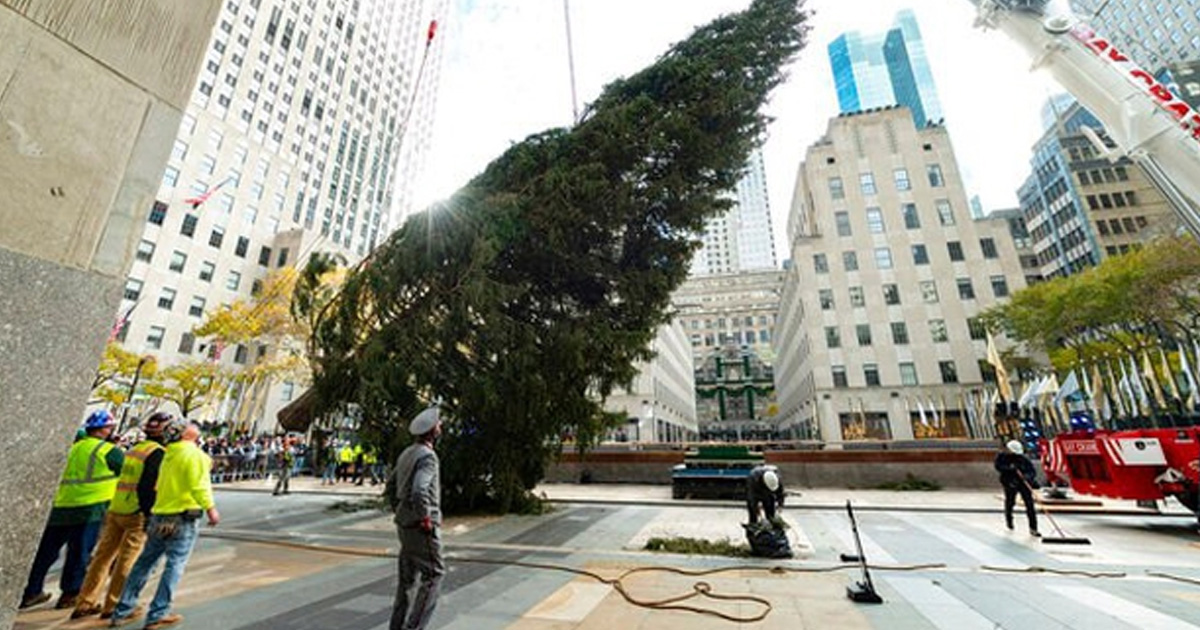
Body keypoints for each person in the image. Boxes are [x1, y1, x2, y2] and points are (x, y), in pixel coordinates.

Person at [109, 421, 220, 629]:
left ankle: (122, 609)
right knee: (174, 564)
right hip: (183, 516)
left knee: (145, 563)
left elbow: (158, 485)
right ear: (186, 434)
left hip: (160, 514)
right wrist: (211, 509)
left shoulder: (168, 454)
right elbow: (200, 485)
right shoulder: (194, 455)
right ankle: (158, 613)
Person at [21, 410, 125, 610]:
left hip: (61, 506)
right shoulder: (108, 451)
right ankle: (70, 593)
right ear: (105, 429)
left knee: (46, 553)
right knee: (79, 553)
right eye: (110, 427)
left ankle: (31, 591)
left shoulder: (73, 448)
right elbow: (126, 473)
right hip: (90, 508)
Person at [70, 412, 170, 620]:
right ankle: (115, 605)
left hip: (116, 509)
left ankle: (85, 602)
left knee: (102, 557)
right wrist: (150, 513)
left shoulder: (135, 449)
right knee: (128, 560)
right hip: (136, 512)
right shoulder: (157, 453)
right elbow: (148, 487)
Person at [388, 406, 445, 630]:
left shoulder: (407, 453)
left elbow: (391, 486)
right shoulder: (428, 456)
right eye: (438, 424)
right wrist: (425, 518)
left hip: (404, 524)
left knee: (406, 582)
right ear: (433, 431)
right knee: (434, 575)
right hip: (420, 527)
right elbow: (420, 490)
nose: (440, 426)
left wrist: (400, 511)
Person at [995, 440, 1040, 537]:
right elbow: (999, 467)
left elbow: (1032, 471)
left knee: (1029, 504)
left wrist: (1027, 477)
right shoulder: (1002, 457)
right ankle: (1009, 519)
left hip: (1023, 483)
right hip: (1010, 482)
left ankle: (1033, 528)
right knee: (1010, 501)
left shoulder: (1023, 459)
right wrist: (1010, 468)